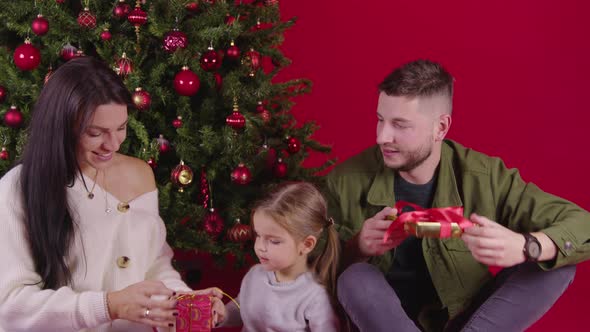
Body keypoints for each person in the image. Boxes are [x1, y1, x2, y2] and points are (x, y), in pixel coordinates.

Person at [327, 59, 590, 331]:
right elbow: (300, 266)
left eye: (400, 125)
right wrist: (356, 248)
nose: (382, 136)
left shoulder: (486, 177)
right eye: (380, 120)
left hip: (464, 322)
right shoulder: (343, 182)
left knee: (554, 261)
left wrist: (526, 246)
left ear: (440, 127)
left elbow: (585, 227)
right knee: (355, 276)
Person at [0, 56, 222, 331]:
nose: (113, 144)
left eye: (121, 128)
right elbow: (10, 306)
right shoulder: (18, 187)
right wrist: (108, 306)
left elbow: (154, 266)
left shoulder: (140, 174)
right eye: (95, 133)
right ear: (61, 127)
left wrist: (183, 300)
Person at [215, 182, 341, 331]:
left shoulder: (314, 297)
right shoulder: (255, 275)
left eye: (274, 241)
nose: (260, 247)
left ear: (306, 245)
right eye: (258, 235)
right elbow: (243, 307)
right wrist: (224, 314)